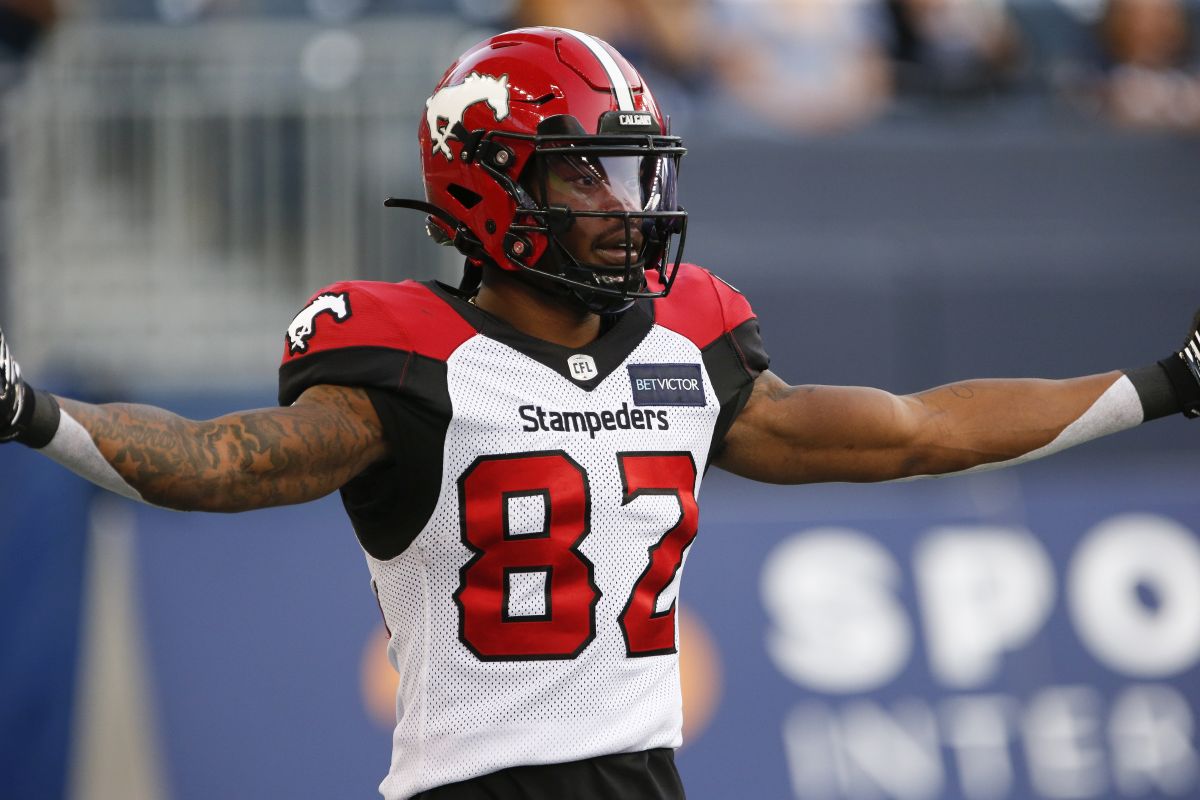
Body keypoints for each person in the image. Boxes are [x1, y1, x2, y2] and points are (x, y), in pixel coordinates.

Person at [0, 26, 1198, 800]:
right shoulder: (411, 360)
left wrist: (1166, 380)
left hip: (645, 777)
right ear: (489, 182)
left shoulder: (690, 345)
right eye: (588, 173)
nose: (628, 207)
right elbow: (216, 462)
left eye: (636, 174)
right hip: (473, 782)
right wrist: (31, 410)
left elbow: (916, 429)